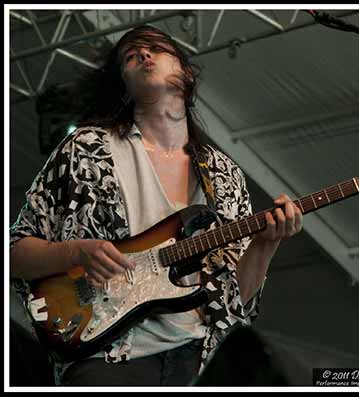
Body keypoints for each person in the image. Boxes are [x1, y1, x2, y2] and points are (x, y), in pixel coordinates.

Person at [9, 25, 303, 387]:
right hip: (108, 358)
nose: (144, 55)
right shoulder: (86, 150)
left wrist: (266, 242)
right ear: (123, 84)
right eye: (132, 56)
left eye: (156, 49)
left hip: (198, 360)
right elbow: (15, 252)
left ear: (187, 74)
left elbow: (235, 300)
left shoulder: (223, 175)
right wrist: (76, 252)